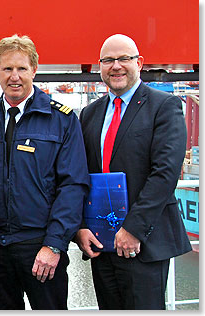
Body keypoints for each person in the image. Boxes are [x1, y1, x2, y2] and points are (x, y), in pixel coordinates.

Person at [0, 34, 89, 310]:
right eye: (7, 68)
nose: (15, 76)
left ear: (34, 70)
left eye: (22, 68)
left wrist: (55, 244)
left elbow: (73, 187)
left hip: (41, 246)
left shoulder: (62, 120)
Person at [74, 34, 191, 309]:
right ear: (99, 66)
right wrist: (80, 227)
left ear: (139, 63)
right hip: (101, 243)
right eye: (108, 60)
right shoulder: (89, 114)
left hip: (144, 241)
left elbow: (165, 173)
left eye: (124, 59)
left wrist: (133, 229)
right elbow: (79, 175)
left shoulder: (164, 106)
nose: (116, 66)